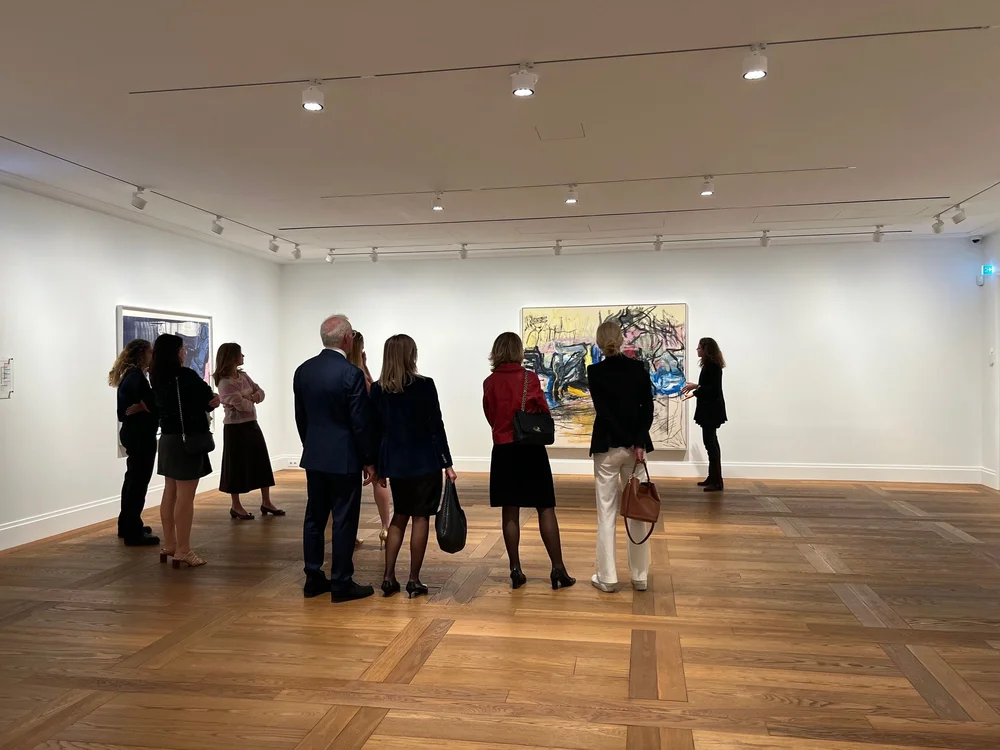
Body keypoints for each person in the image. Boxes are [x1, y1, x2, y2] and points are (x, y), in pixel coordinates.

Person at [294, 314, 377, 602]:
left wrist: (310, 445)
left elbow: (301, 417)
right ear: (347, 339)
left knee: (314, 518)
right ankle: (341, 581)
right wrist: (368, 459)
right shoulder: (350, 374)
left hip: (315, 456)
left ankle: (313, 578)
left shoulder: (303, 370)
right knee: (343, 519)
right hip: (344, 458)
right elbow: (359, 422)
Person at [482, 332, 574, 591]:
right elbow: (543, 410)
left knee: (510, 509)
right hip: (531, 450)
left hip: (503, 450)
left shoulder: (489, 382)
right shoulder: (529, 378)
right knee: (545, 507)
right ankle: (558, 568)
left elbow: (490, 415)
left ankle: (515, 569)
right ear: (518, 351)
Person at [371, 335, 455, 599]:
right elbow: (436, 426)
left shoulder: (378, 390)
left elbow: (375, 431)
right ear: (411, 355)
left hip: (396, 464)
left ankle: (388, 577)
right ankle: (414, 579)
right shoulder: (425, 385)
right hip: (425, 461)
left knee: (400, 516)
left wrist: (379, 466)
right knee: (420, 518)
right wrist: (447, 463)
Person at [586, 319, 654, 593]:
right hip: (635, 449)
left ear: (599, 343)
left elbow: (604, 412)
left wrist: (624, 438)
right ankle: (640, 576)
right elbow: (647, 408)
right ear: (622, 339)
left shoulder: (595, 371)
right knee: (637, 511)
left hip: (607, 446)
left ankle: (608, 577)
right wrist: (636, 441)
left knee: (606, 512)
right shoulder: (638, 368)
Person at [149, 334, 220, 569]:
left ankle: (170, 544)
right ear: (176, 352)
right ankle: (183, 549)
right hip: (186, 440)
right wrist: (213, 400)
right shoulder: (185, 376)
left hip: (168, 439)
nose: (184, 351)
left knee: (169, 492)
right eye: (182, 348)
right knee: (186, 497)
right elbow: (207, 398)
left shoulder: (155, 376)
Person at [214, 343, 281, 520]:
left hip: (251, 424)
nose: (243, 356)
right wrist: (251, 398)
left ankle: (266, 501)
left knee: (261, 461)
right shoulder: (225, 382)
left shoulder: (243, 376)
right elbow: (242, 405)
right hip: (235, 428)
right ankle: (236, 505)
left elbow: (261, 393)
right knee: (235, 465)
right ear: (231, 357)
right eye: (240, 354)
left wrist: (249, 397)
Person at [108, 339, 160, 547]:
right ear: (141, 354)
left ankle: (128, 525)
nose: (152, 355)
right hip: (140, 435)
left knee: (132, 480)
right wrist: (145, 406)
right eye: (150, 352)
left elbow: (131, 408)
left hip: (134, 433)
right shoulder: (135, 376)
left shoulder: (130, 375)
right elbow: (152, 403)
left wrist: (143, 405)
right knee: (138, 483)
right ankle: (133, 532)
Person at [348, 330, 392, 548]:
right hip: (369, 433)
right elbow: (374, 394)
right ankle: (385, 526)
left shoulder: (349, 372)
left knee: (349, 486)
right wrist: (365, 366)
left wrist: (364, 366)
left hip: (352, 434)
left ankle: (350, 531)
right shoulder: (359, 374)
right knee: (379, 480)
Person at [681, 337, 728, 492]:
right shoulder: (711, 365)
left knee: (711, 444)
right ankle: (713, 477)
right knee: (711, 443)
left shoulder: (713, 366)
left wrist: (695, 390)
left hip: (711, 411)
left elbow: (712, 390)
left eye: (699, 347)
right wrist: (696, 388)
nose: (697, 350)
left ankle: (716, 481)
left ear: (706, 349)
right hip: (709, 410)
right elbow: (708, 386)